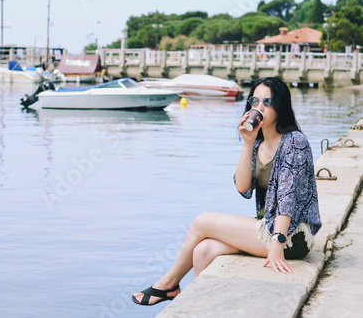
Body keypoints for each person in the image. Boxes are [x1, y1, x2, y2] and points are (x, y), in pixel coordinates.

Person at [132, 77, 322, 306]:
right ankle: (196, 307)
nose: (259, 107)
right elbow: (242, 186)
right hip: (268, 227)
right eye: (255, 101)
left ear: (280, 106)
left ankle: (169, 284)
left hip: (291, 237)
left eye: (267, 101)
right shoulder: (259, 142)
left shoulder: (295, 141)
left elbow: (288, 198)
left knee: (202, 221)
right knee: (203, 250)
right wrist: (248, 142)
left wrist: (277, 242)